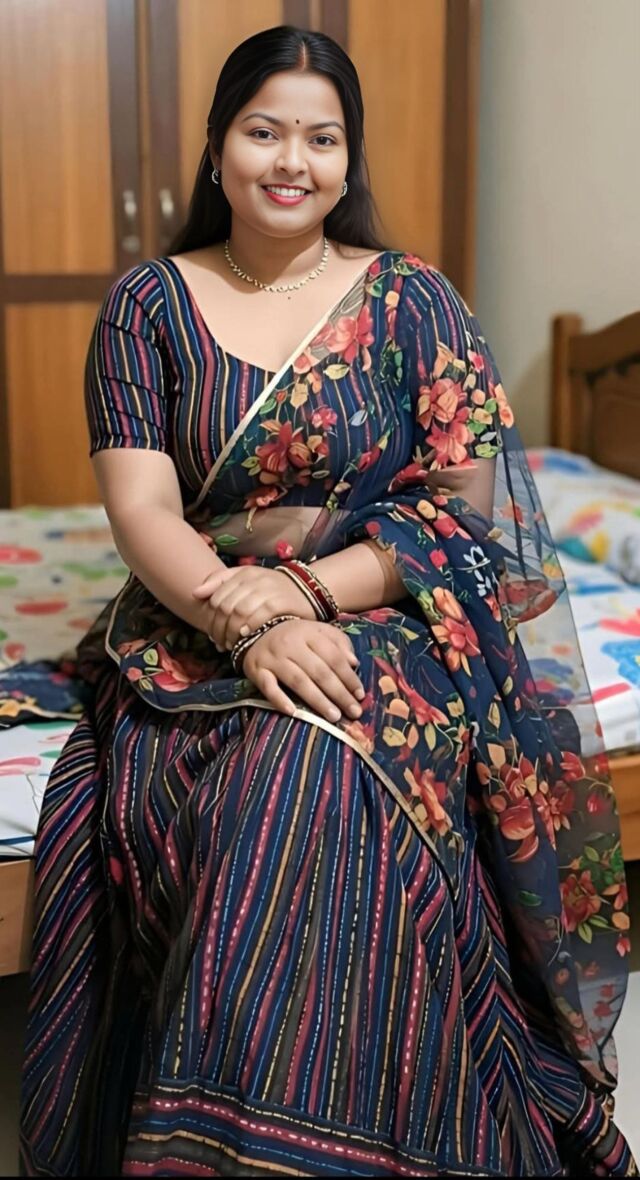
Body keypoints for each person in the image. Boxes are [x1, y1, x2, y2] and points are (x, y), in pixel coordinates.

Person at [9, 23, 637, 1178]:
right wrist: (243, 618)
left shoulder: (413, 301)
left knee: (313, 754)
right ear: (218, 148)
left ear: (349, 160)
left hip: (382, 609)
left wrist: (299, 594)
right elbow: (142, 509)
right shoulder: (149, 303)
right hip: (192, 615)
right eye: (264, 131)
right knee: (264, 755)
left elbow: (459, 516)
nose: (291, 160)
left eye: (321, 137)